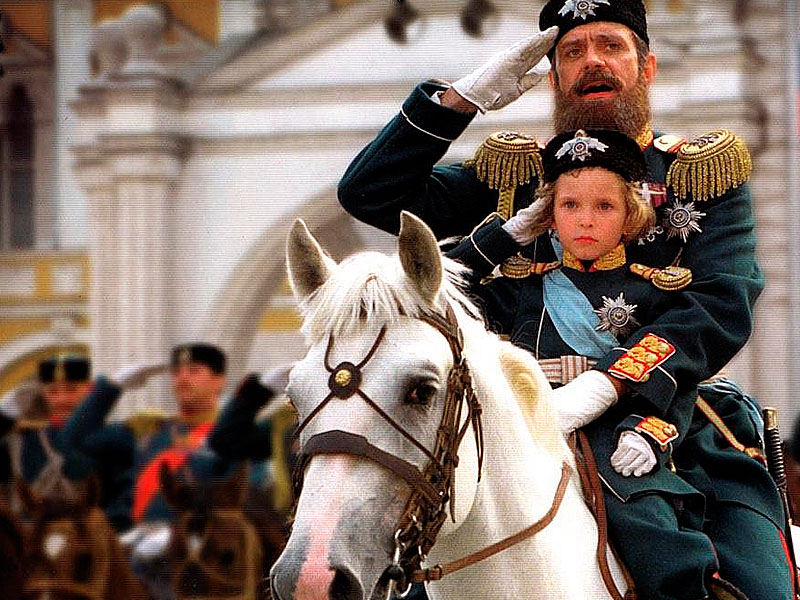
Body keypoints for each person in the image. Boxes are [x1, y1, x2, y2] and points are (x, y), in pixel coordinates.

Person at [447, 129, 793, 600]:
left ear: (631, 216)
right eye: (569, 206)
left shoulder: (657, 290)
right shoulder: (522, 287)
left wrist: (649, 428)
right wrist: (503, 237)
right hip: (530, 424)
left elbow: (678, 373)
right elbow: (435, 294)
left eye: (604, 206)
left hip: (623, 426)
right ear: (550, 216)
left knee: (647, 522)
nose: (585, 220)